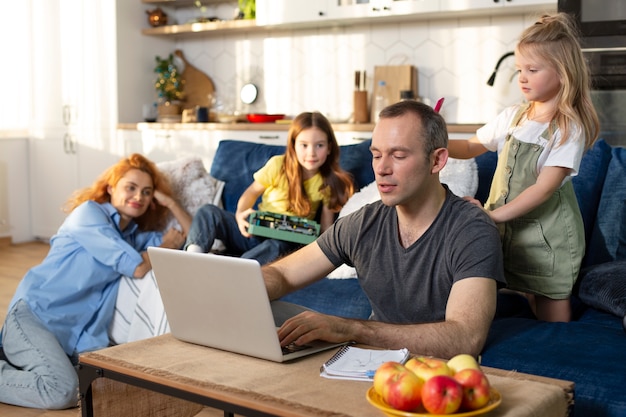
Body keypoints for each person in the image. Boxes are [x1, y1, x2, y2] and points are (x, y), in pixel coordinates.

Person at [263, 100, 505, 360]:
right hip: (371, 366)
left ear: (437, 160)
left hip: (437, 375)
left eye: (398, 156)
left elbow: (465, 338)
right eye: (376, 155)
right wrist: (241, 289)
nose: (381, 168)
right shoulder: (364, 223)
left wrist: (350, 328)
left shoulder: (472, 230)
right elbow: (284, 274)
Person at [0, 153, 191, 409]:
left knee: (105, 393)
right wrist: (166, 245)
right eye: (131, 188)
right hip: (36, 318)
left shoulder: (132, 239)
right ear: (111, 187)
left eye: (147, 192)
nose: (139, 197)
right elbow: (137, 267)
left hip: (71, 340)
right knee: (62, 392)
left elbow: (189, 234)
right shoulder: (87, 215)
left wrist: (170, 202)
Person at [448, 13, 600, 322]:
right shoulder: (513, 116)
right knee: (520, 296)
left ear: (563, 73)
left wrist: (491, 216)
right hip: (508, 235)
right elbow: (467, 148)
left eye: (532, 69)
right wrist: (433, 138)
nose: (522, 78)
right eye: (519, 70)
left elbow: (544, 188)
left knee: (553, 320)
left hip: (547, 241)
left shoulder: (567, 128)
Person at [184, 111, 354, 264]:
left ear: (330, 147)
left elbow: (325, 231)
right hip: (254, 231)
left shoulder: (327, 182)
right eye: (304, 145)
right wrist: (240, 214)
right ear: (293, 145)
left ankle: (237, 270)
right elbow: (251, 192)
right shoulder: (278, 165)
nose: (311, 153)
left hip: (285, 241)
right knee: (208, 212)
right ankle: (193, 260)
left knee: (279, 246)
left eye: (319, 145)